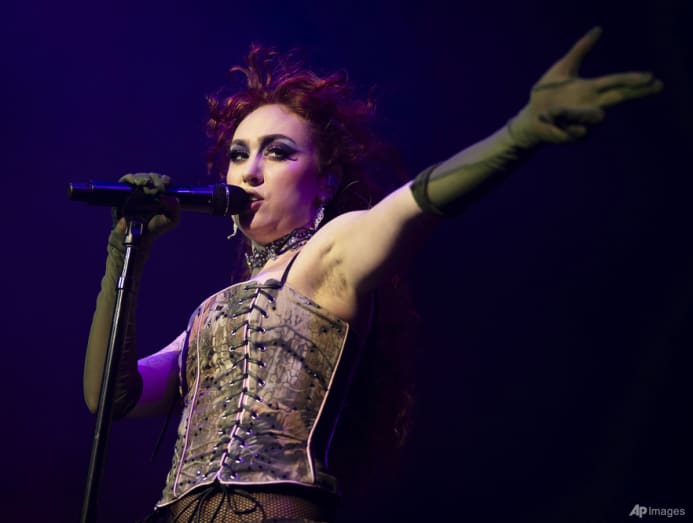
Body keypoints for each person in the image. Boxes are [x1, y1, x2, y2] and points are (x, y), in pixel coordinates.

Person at [83, 27, 662, 522]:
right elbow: (111, 396)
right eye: (239, 154)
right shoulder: (211, 312)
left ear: (326, 181)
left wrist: (520, 133)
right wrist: (125, 252)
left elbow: (415, 204)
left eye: (278, 152)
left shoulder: (333, 251)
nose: (250, 171)